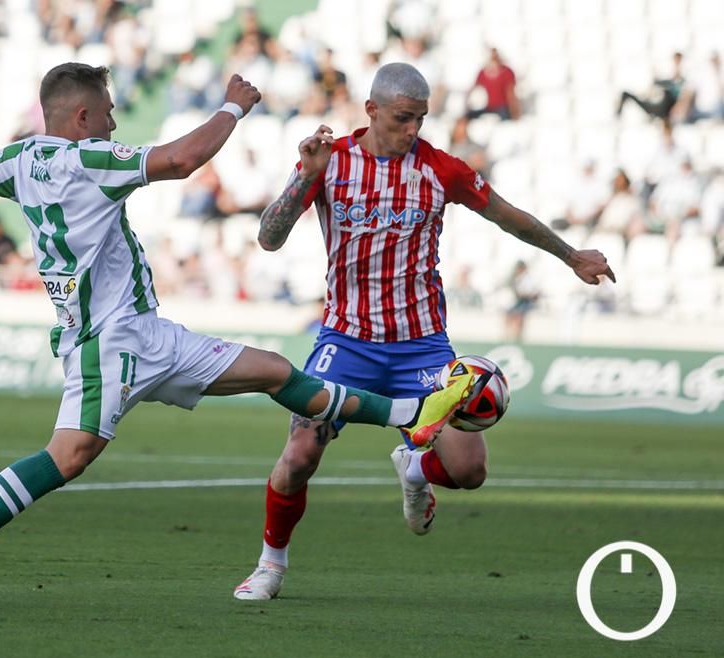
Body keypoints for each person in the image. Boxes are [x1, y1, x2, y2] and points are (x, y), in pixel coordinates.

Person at [0, 62, 483, 609]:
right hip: (107, 343)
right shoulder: (92, 160)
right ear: (81, 119)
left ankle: (414, 413)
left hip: (149, 334)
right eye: (106, 112)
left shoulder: (17, 160)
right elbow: (180, 160)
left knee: (277, 372)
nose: (113, 121)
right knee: (69, 456)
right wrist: (231, 108)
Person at [232, 63, 616, 601]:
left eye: (420, 118)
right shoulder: (330, 159)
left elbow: (508, 216)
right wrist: (303, 173)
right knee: (298, 456)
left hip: (423, 346)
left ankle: (415, 465)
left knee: (468, 470)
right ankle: (270, 565)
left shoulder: (440, 169)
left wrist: (571, 255)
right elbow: (269, 238)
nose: (413, 129)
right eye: (402, 118)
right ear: (371, 110)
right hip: (346, 340)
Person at [466, 47, 518, 121]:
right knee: (469, 116)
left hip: (502, 108)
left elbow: (511, 93)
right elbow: (473, 89)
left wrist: (514, 112)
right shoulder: (482, 73)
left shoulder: (507, 72)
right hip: (488, 107)